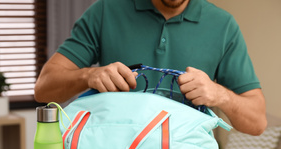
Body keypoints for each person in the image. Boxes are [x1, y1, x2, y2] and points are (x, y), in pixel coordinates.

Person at [34, 0, 267, 136]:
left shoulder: (223, 25)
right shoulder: (105, 11)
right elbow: (44, 89)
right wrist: (89, 75)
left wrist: (220, 94)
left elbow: (257, 123)